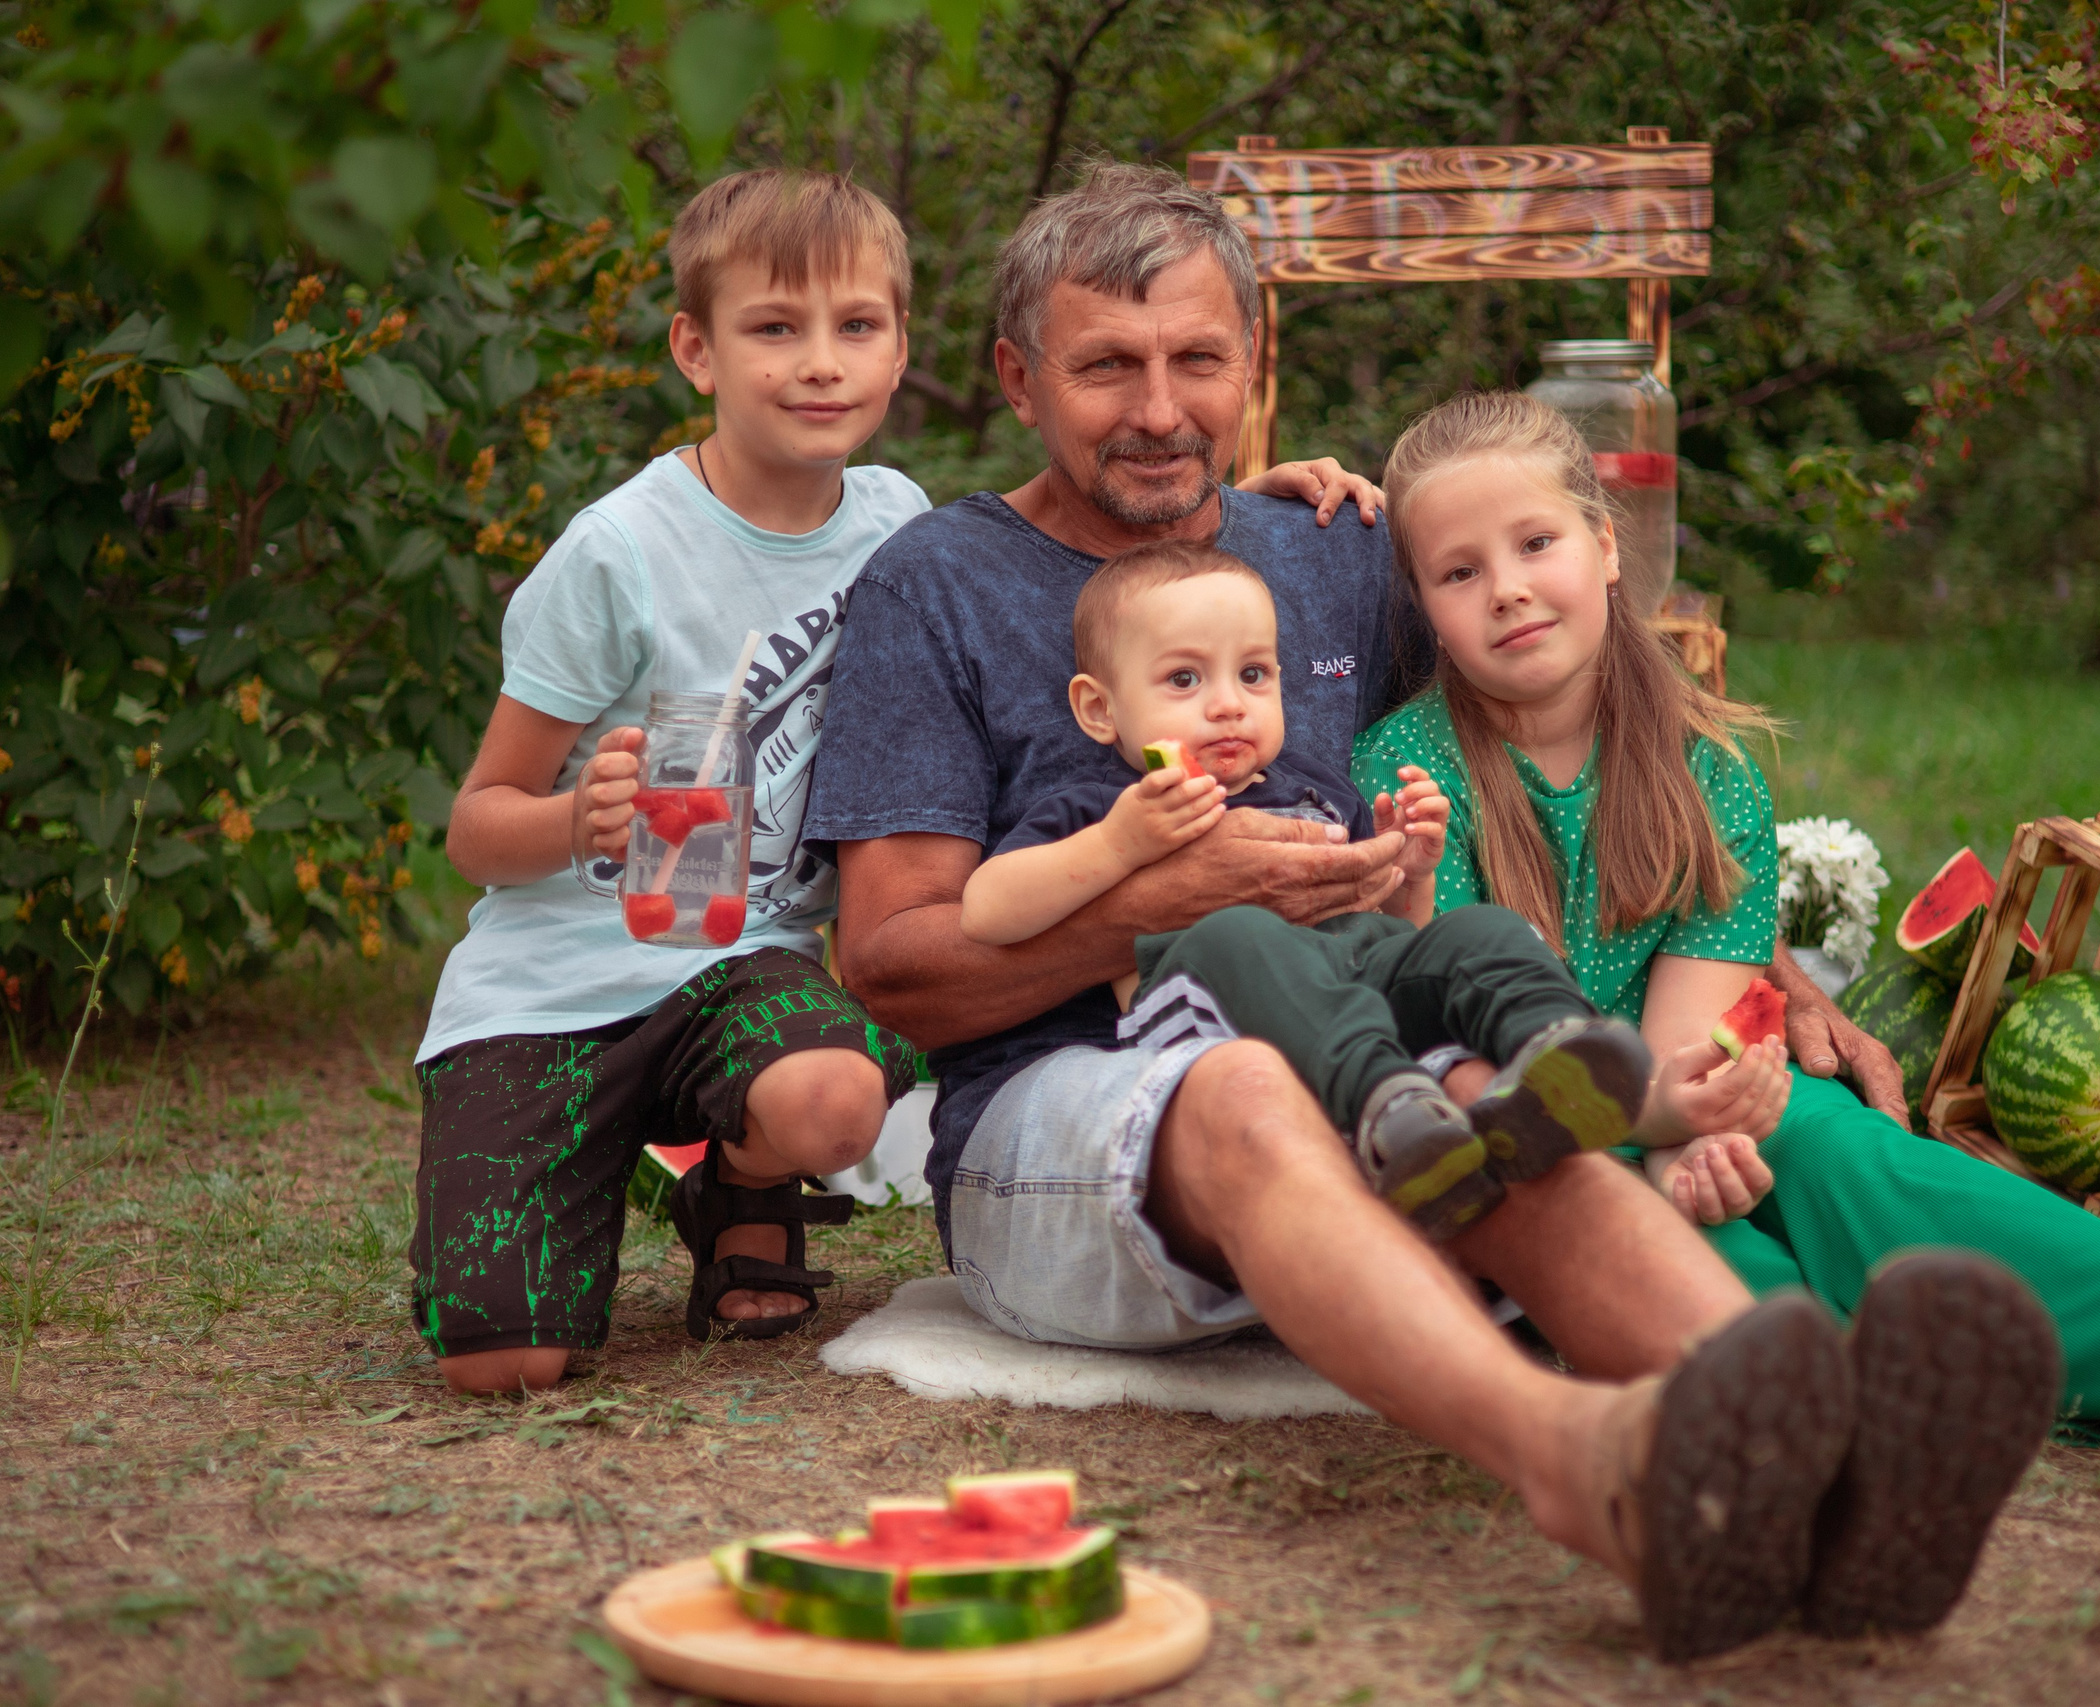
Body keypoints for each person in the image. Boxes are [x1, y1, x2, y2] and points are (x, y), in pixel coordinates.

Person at [812, 159, 2064, 1656]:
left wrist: (1754, 950)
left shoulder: (1335, 550)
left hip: (1366, 1042)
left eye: (1198, 359)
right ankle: (1585, 1466)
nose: (1159, 408)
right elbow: (891, 966)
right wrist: (1174, 893)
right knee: (1245, 1081)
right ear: (1020, 377)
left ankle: (1843, 1468)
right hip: (1070, 1112)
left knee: (1496, 1092)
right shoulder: (936, 585)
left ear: (1253, 366)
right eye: (1107, 367)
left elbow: (1574, 701)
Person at [412, 168, 1404, 1397]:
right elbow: (478, 821)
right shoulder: (639, 554)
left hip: (746, 955)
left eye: (856, 329)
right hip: (565, 973)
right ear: (695, 349)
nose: (818, 365)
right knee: (507, 1360)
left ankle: (747, 1174)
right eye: (774, 329)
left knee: (831, 1099)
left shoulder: (888, 514)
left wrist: (1238, 498)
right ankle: (656, 1175)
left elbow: (1129, 525)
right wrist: (576, 817)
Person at [1351, 388, 2100, 1499]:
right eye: (1459, 572)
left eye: (1536, 544)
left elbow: (1693, 1034)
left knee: (1851, 1155)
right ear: (1424, 606)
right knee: (1701, 1257)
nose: (1509, 590)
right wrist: (1671, 1152)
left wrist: (1698, 1128)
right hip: (1542, 1134)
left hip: (1678, 1091)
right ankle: (1861, 1429)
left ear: (1605, 545)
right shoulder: (1410, 780)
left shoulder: (1707, 778)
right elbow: (1473, 1030)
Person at [961, 537, 1659, 1239]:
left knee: (1480, 930)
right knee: (1243, 932)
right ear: (1099, 709)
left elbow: (1392, 932)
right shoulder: (1106, 807)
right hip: (1215, 1018)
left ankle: (1555, 1049)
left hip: (1356, 986)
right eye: (1183, 680)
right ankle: (1390, 1110)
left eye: (1255, 674)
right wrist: (1119, 845)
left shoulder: (1318, 790)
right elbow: (988, 910)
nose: (1229, 705)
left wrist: (1408, 873)